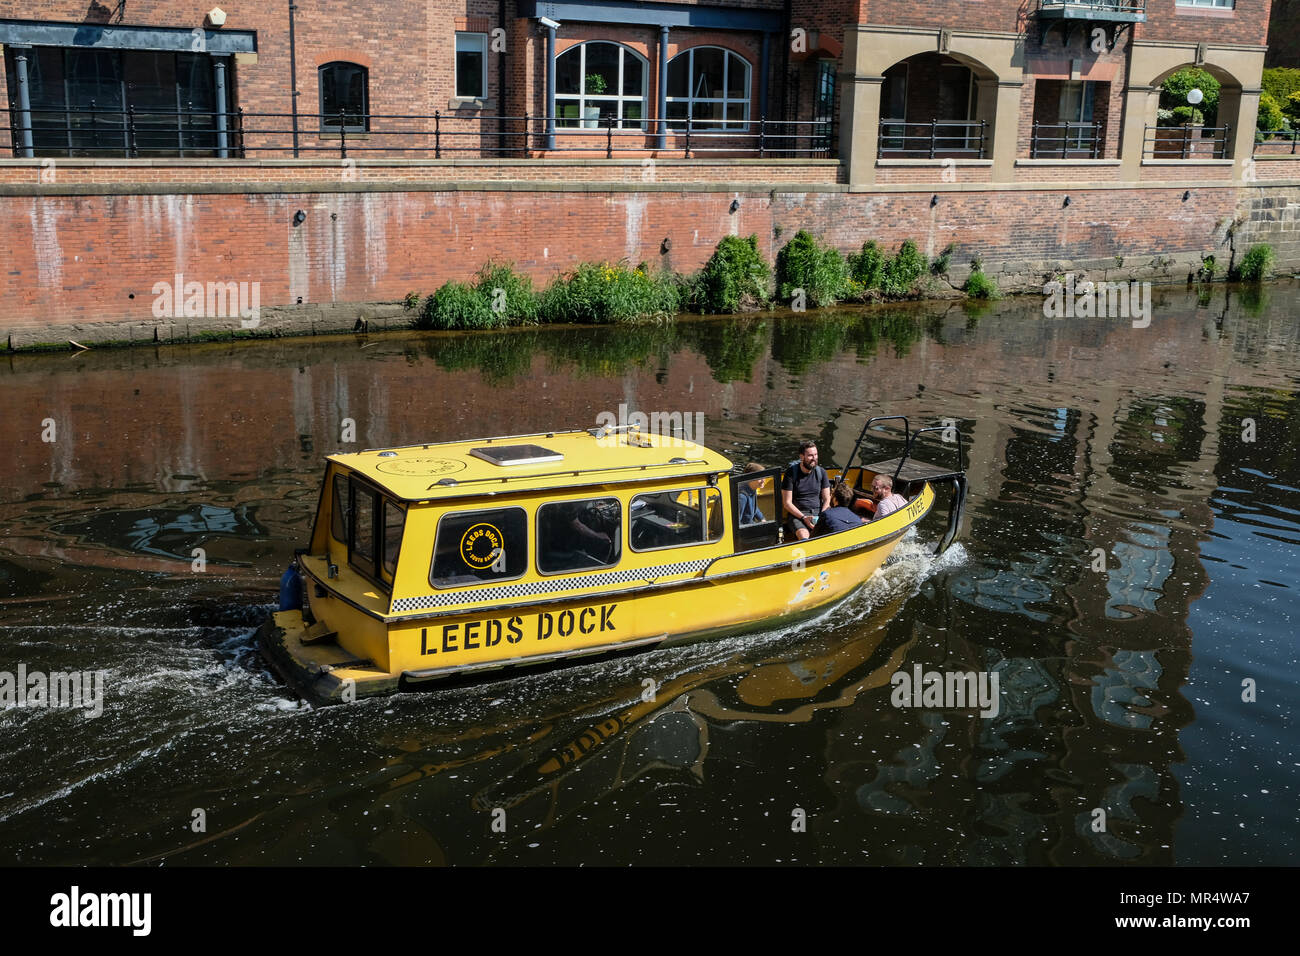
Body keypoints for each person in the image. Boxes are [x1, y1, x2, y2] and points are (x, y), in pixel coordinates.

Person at [781, 440, 830, 540]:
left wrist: (822, 515)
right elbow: (787, 503)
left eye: (816, 455)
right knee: (804, 536)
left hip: (819, 513)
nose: (814, 458)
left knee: (831, 532)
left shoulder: (821, 472)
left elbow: (827, 498)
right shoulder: (791, 473)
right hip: (798, 515)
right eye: (810, 455)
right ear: (802, 456)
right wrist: (804, 518)